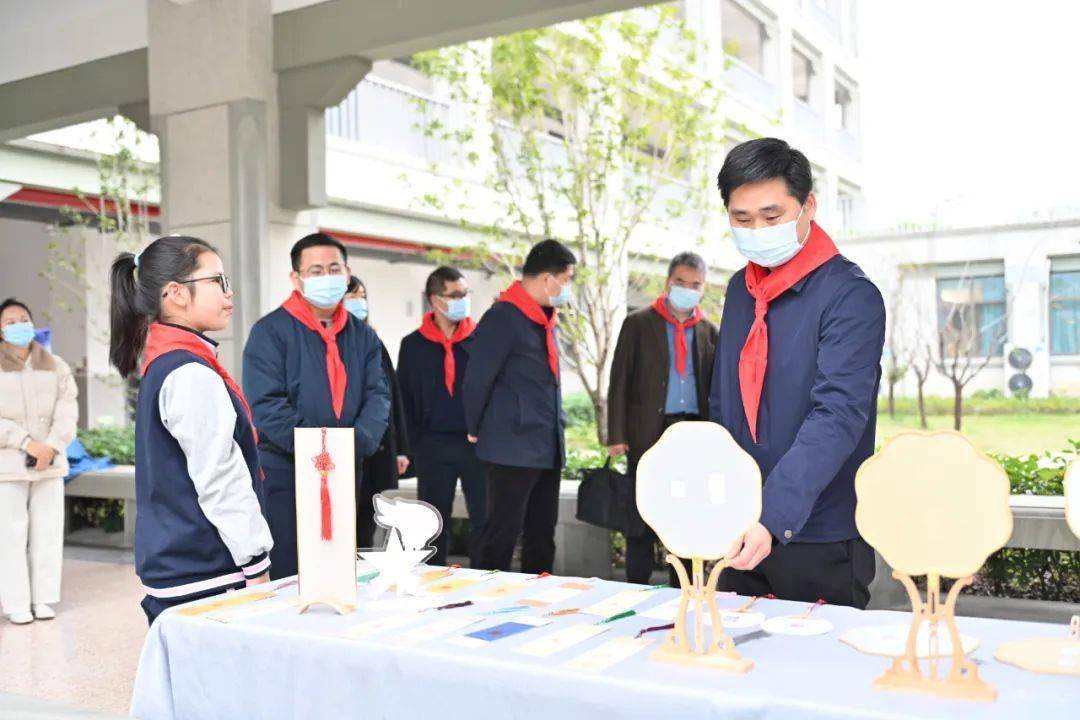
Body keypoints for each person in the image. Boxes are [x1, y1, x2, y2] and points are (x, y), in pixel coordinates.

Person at [709, 138, 885, 609]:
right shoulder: (740, 290)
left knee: (817, 674)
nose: (757, 230)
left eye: (772, 216)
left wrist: (774, 514)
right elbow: (725, 403)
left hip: (817, 531)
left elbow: (837, 414)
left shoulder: (849, 296)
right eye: (741, 219)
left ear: (808, 205)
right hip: (739, 528)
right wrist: (721, 502)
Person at [108, 236, 273, 625]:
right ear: (176, 294)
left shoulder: (165, 362)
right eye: (218, 281)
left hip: (181, 565)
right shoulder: (189, 373)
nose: (228, 294)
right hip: (207, 571)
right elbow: (220, 477)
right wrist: (256, 564)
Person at [243, 233, 391, 579]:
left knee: (338, 570)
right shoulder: (270, 332)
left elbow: (378, 395)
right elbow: (266, 404)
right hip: (288, 470)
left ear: (347, 272)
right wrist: (320, 449)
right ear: (296, 278)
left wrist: (351, 446)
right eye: (316, 270)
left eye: (334, 268)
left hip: (345, 467)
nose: (327, 277)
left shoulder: (363, 335)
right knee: (290, 573)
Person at [463, 239, 576, 573]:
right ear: (547, 279)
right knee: (501, 534)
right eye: (566, 280)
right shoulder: (503, 317)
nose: (566, 288)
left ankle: (536, 604)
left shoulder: (543, 318)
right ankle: (483, 602)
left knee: (542, 535)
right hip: (511, 446)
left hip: (545, 444)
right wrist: (474, 427)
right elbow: (477, 379)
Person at [607, 253, 718, 585]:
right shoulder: (639, 323)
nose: (687, 290)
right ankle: (637, 587)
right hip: (647, 432)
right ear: (668, 282)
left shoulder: (709, 330)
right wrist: (616, 434)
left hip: (691, 433)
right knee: (643, 512)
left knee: (683, 513)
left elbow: (717, 388)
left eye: (695, 285)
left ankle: (681, 587)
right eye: (681, 283)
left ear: (703, 288)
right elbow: (619, 381)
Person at [397, 266, 486, 567]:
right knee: (433, 524)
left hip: (477, 444)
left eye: (466, 294)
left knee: (484, 520)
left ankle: (486, 582)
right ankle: (434, 585)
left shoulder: (481, 339)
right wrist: (410, 446)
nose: (463, 300)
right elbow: (404, 399)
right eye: (456, 295)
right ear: (435, 300)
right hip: (432, 445)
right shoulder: (413, 345)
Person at [0, 298, 78, 625]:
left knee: (48, 532)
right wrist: (26, 443)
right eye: (10, 320)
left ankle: (44, 598)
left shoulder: (55, 365)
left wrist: (51, 446)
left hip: (49, 463)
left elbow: (68, 409)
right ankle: (17, 602)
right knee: (11, 535)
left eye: (24, 318)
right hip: (9, 466)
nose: (19, 324)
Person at [344, 275, 410, 547]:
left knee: (366, 523)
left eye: (362, 296)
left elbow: (392, 395)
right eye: (352, 296)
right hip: (342, 448)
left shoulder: (373, 341)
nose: (359, 302)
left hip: (375, 447)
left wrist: (401, 448)